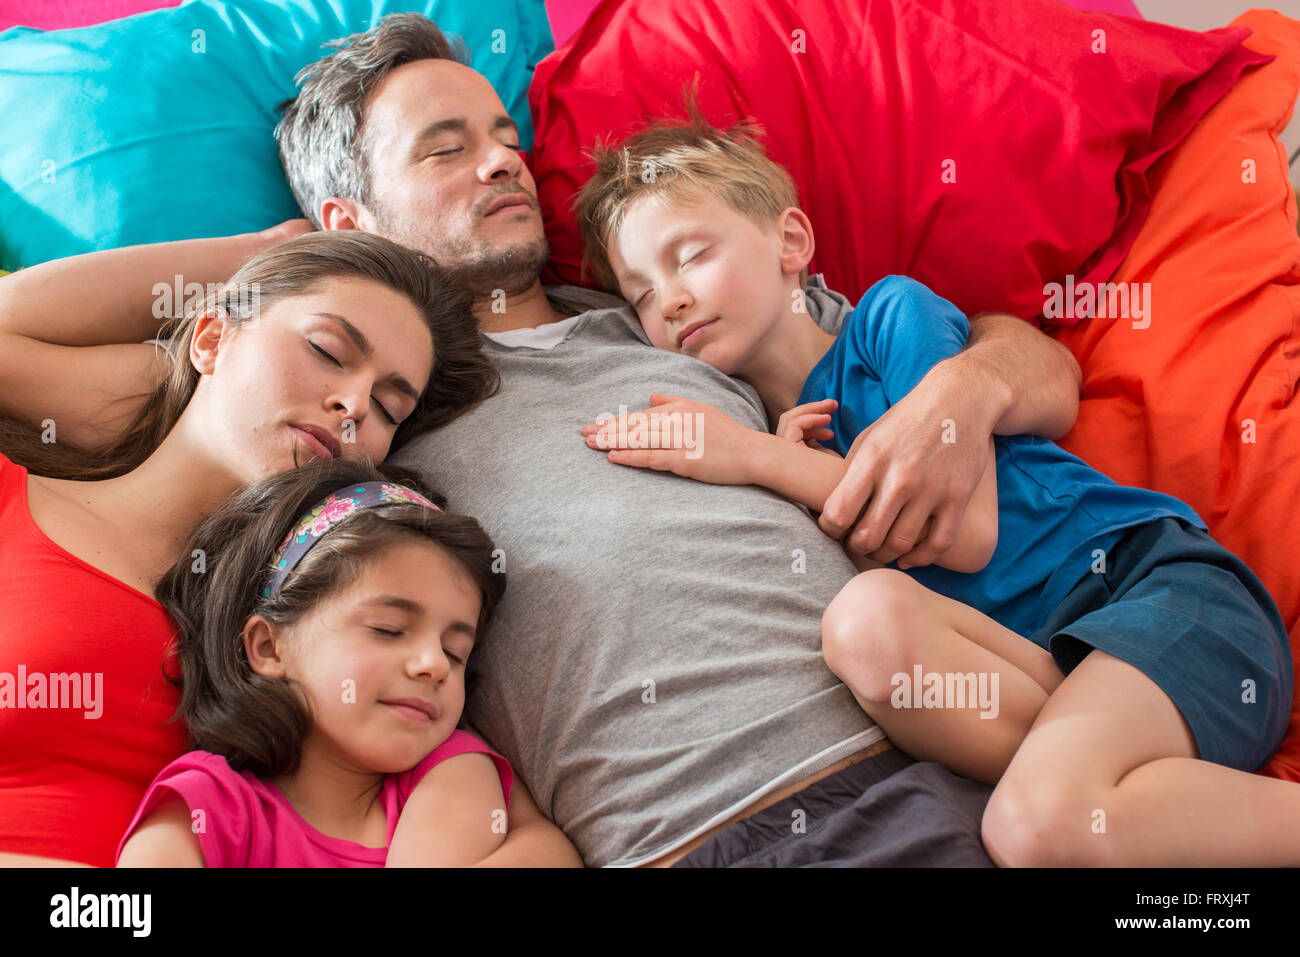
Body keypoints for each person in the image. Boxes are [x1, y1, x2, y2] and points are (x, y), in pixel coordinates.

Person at [14, 14, 1085, 867]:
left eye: (504, 140)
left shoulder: (682, 314)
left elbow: (1032, 360)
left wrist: (969, 390)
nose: (501, 165)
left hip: (921, 756)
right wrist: (273, 258)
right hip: (680, 830)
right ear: (352, 217)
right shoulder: (337, 409)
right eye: (447, 149)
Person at [570, 111, 1296, 865]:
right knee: (864, 629)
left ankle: (1073, 796)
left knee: (1031, 830)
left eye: (689, 256)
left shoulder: (889, 316)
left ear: (790, 242)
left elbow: (969, 528)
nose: (673, 299)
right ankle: (1117, 790)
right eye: (643, 294)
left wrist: (757, 459)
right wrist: (775, 463)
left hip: (1157, 600)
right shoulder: (775, 443)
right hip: (1055, 670)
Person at [0, 231, 574, 867]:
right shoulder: (10, 496)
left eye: (389, 406)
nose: (354, 406)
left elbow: (538, 840)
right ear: (212, 338)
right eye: (327, 350)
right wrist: (287, 243)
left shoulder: (339, 620)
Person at [116, 459, 553, 866]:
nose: (433, 665)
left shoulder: (453, 772)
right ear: (269, 648)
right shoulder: (208, 804)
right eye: (388, 629)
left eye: (455, 653)